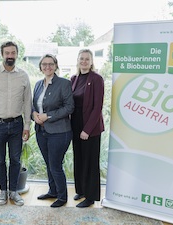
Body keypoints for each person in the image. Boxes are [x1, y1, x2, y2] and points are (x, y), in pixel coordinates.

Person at [0, 41, 32, 206]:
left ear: (17, 54)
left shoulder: (23, 75)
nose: (10, 56)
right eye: (7, 53)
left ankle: (14, 191)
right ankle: (3, 191)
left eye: (13, 53)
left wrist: (27, 126)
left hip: (17, 125)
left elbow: (27, 102)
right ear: (2, 54)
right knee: (0, 160)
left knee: (16, 160)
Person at [32, 54, 74, 207]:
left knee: (55, 165)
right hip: (41, 131)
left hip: (60, 131)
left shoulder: (64, 83)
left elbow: (69, 107)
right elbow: (34, 106)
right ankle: (53, 191)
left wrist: (47, 116)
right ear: (41, 66)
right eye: (44, 64)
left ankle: (62, 197)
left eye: (50, 64)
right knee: (49, 163)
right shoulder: (37, 84)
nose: (47, 67)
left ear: (56, 66)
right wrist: (34, 114)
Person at [70, 49, 105, 208]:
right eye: (81, 58)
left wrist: (87, 130)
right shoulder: (74, 78)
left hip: (90, 127)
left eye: (87, 59)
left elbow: (97, 107)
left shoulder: (96, 79)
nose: (84, 61)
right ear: (77, 60)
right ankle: (82, 190)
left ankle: (91, 196)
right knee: (79, 158)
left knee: (90, 161)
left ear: (91, 62)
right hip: (75, 124)